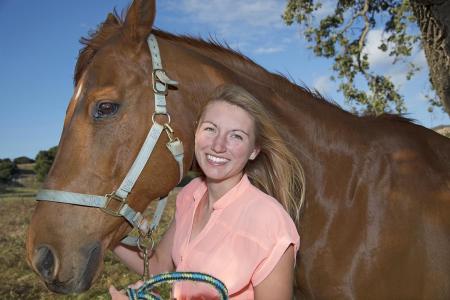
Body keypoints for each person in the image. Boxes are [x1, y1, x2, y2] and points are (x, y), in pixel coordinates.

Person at [109, 84, 305, 299]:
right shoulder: (191, 193)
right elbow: (161, 267)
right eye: (210, 129)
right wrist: (103, 231)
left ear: (254, 150)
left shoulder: (271, 223)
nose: (218, 146)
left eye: (236, 136)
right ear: (196, 132)